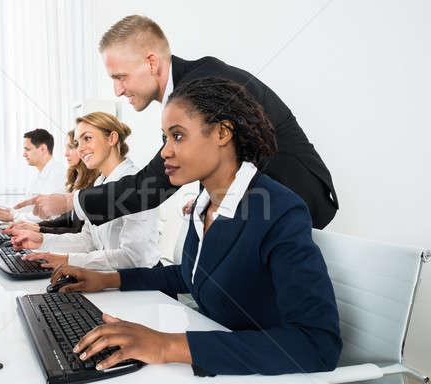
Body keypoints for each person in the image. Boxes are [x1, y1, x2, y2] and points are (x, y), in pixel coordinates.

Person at [48, 78, 342, 376]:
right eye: (165, 138)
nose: (164, 152)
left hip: (263, 381)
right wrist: (107, 280)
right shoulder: (206, 200)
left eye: (177, 136)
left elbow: (318, 344)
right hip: (216, 356)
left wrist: (167, 346)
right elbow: (190, 274)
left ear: (222, 133)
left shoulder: (279, 209)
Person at [27, 15, 338, 230]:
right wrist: (212, 198)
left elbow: (152, 185)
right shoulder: (189, 87)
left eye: (120, 77)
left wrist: (70, 201)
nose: (117, 91)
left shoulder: (201, 86)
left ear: (151, 63)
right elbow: (222, 157)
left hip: (298, 197)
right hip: (269, 201)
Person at [4, 112, 161, 271]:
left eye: (87, 138)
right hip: (113, 276)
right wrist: (42, 240)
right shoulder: (100, 181)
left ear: (112, 139)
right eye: (77, 143)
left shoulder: (135, 183)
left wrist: (66, 260)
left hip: (146, 285)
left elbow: (133, 258)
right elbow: (88, 240)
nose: (80, 149)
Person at [8, 130, 99, 234]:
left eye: (71, 147)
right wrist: (35, 227)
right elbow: (66, 220)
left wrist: (37, 229)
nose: (65, 154)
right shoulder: (76, 179)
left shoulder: (92, 184)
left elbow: (77, 230)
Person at [0, 129, 65, 223]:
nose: (24, 154)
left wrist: (12, 216)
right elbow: (26, 208)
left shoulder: (59, 174)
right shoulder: (38, 176)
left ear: (43, 148)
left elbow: (48, 215)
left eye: (28, 149)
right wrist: (4, 211)